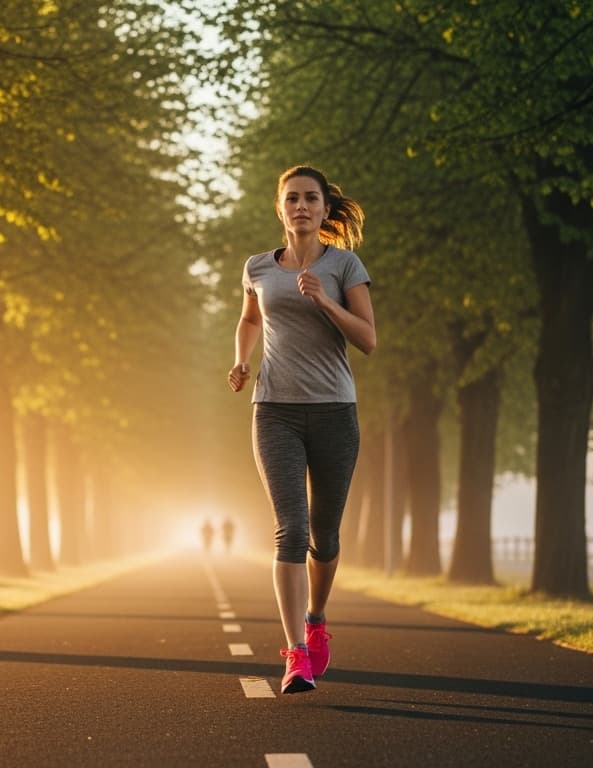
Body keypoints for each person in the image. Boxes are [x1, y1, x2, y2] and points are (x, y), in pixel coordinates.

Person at [227, 164, 375, 694]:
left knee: (324, 535)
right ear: (280, 208)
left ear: (324, 209)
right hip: (275, 412)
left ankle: (315, 621)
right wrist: (242, 360)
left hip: (335, 412)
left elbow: (369, 339)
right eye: (291, 198)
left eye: (310, 198)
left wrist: (325, 301)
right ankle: (294, 655)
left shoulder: (345, 265)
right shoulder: (258, 268)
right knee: (289, 529)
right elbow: (249, 319)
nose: (301, 206)